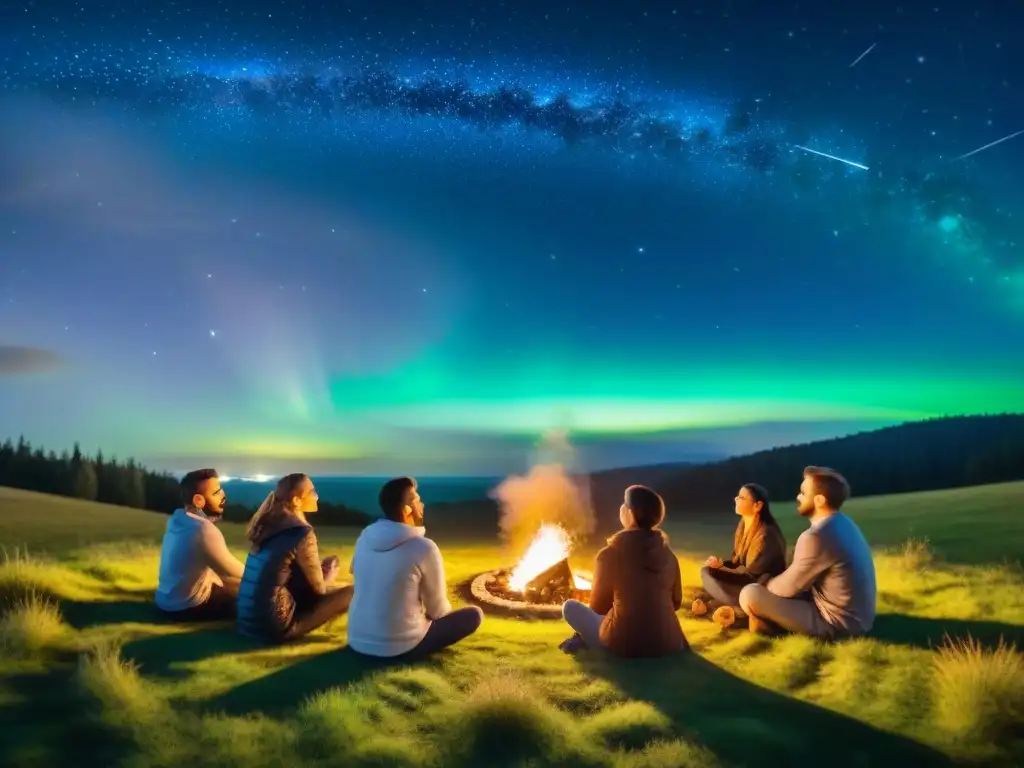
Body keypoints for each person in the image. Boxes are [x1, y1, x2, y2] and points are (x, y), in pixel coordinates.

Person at [346, 477, 483, 659]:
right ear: (407, 510)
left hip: (358, 640)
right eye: (417, 500)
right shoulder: (424, 547)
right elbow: (438, 611)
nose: (422, 504)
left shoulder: (364, 538)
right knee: (474, 615)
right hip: (401, 646)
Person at [739, 466, 877, 639]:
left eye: (803, 493)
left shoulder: (816, 536)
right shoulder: (844, 523)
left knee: (750, 594)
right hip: (860, 619)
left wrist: (766, 585)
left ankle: (769, 626)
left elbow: (787, 588)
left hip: (838, 624)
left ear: (819, 500)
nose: (798, 497)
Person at [560, 484, 686, 657]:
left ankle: (587, 641)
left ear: (631, 513)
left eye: (624, 504)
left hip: (624, 644)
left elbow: (598, 607)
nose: (621, 508)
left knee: (570, 607)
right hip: (669, 643)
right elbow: (676, 603)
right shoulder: (670, 556)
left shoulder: (609, 555)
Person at [236, 473, 353, 643]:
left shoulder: (268, 527)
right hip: (276, 626)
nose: (316, 496)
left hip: (248, 623)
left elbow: (280, 576)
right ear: (297, 501)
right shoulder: (302, 533)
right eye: (312, 492)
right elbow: (319, 590)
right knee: (351, 592)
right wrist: (329, 575)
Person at [155, 468, 245, 621]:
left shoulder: (177, 519)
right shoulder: (203, 530)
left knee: (229, 582)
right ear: (198, 501)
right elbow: (235, 571)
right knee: (251, 596)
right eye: (216, 493)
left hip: (165, 600)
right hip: (186, 607)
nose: (223, 496)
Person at [699, 483, 787, 614]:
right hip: (746, 580)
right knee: (707, 571)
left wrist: (720, 570)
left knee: (708, 574)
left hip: (760, 588)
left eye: (742, 497)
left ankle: (741, 607)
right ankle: (728, 601)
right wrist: (720, 565)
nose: (736, 499)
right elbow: (737, 561)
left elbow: (750, 576)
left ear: (758, 506)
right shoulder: (743, 524)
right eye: (737, 496)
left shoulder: (765, 535)